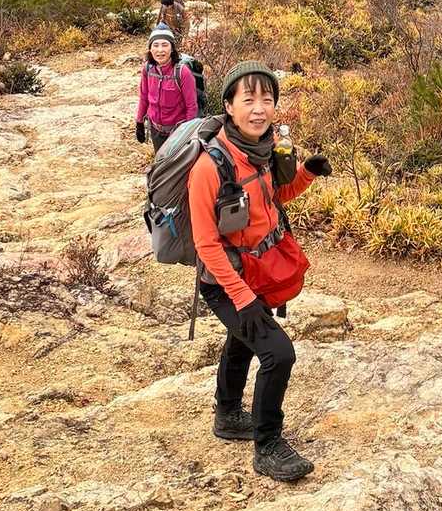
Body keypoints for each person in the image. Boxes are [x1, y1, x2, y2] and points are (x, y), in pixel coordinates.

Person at [189, 62, 332, 483]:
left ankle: (228, 414)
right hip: (225, 282)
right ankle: (268, 445)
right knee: (278, 353)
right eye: (248, 99)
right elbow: (206, 245)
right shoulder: (210, 168)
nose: (259, 109)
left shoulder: (262, 151)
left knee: (243, 340)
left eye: (267, 100)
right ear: (228, 106)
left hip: (256, 272)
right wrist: (242, 298)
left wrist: (306, 174)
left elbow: (275, 197)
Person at [135, 24, 198, 152]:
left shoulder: (182, 72)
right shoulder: (148, 69)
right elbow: (144, 97)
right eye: (155, 45)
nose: (160, 50)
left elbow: (191, 106)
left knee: (176, 163)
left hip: (177, 132)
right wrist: (139, 122)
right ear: (150, 49)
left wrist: (188, 133)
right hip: (156, 130)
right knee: (160, 160)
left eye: (165, 45)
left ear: (172, 48)